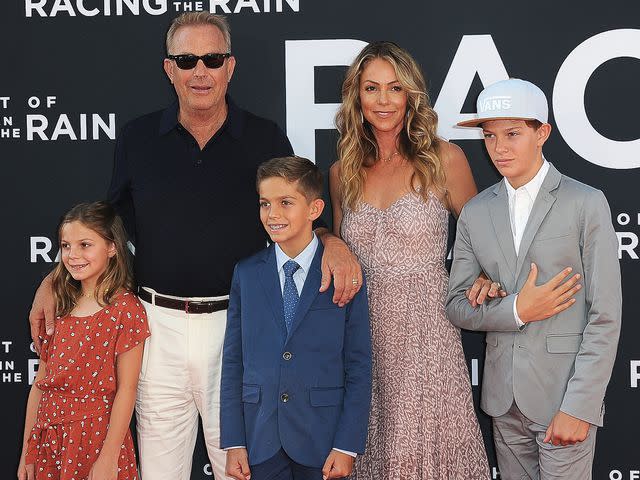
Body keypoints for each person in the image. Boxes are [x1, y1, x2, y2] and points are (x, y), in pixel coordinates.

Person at [28, 12, 362, 480]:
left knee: (238, 467)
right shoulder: (138, 138)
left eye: (212, 58)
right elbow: (106, 227)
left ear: (230, 66)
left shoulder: (264, 136)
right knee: (161, 470)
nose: (200, 71)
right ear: (170, 69)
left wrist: (333, 241)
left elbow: (298, 213)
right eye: (187, 60)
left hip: (238, 328)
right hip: (156, 327)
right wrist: (54, 277)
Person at [446, 78, 622, 479]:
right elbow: (457, 305)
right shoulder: (475, 210)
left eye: (512, 134)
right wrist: (515, 310)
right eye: (490, 136)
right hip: (503, 403)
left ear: (542, 133)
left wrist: (580, 405)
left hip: (563, 398)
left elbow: (605, 315)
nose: (499, 148)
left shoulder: (586, 202)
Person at [329, 41, 489, 479]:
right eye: (372, 88)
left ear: (411, 96)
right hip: (361, 330)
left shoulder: (444, 158)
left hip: (427, 332)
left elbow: (485, 239)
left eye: (395, 88)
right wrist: (329, 239)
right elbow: (336, 240)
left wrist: (483, 277)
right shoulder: (343, 170)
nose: (383, 100)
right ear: (356, 97)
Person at [220, 156, 372, 480]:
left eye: (285, 203)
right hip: (261, 440)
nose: (272, 214)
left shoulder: (344, 273)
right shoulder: (246, 274)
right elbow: (233, 362)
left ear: (315, 210)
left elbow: (358, 365)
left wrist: (347, 446)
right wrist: (234, 440)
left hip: (323, 441)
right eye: (265, 204)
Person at [17, 201, 150, 480]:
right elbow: (40, 387)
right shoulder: (58, 306)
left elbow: (127, 389)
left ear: (112, 247)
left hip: (96, 438)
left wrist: (108, 458)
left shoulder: (126, 309)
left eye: (85, 245)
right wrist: (27, 451)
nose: (73, 255)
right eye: (66, 246)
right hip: (49, 440)